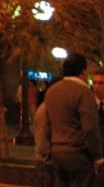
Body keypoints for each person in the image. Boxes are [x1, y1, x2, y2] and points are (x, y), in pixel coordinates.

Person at [41, 52, 101, 186]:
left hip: (57, 152)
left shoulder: (52, 91)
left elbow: (46, 126)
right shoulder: (83, 92)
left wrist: (47, 152)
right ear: (83, 71)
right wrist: (97, 156)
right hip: (78, 154)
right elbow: (90, 129)